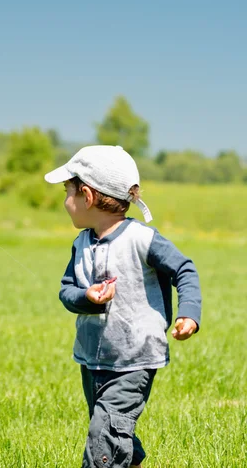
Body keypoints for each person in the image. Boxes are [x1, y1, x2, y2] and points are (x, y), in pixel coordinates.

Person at [45, 145, 202, 468]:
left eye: (67, 192)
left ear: (86, 196)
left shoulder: (142, 239)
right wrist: (86, 298)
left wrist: (189, 313)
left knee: (103, 441)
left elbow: (184, 270)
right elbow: (66, 292)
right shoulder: (82, 244)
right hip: (93, 358)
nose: (65, 201)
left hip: (135, 358)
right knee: (111, 430)